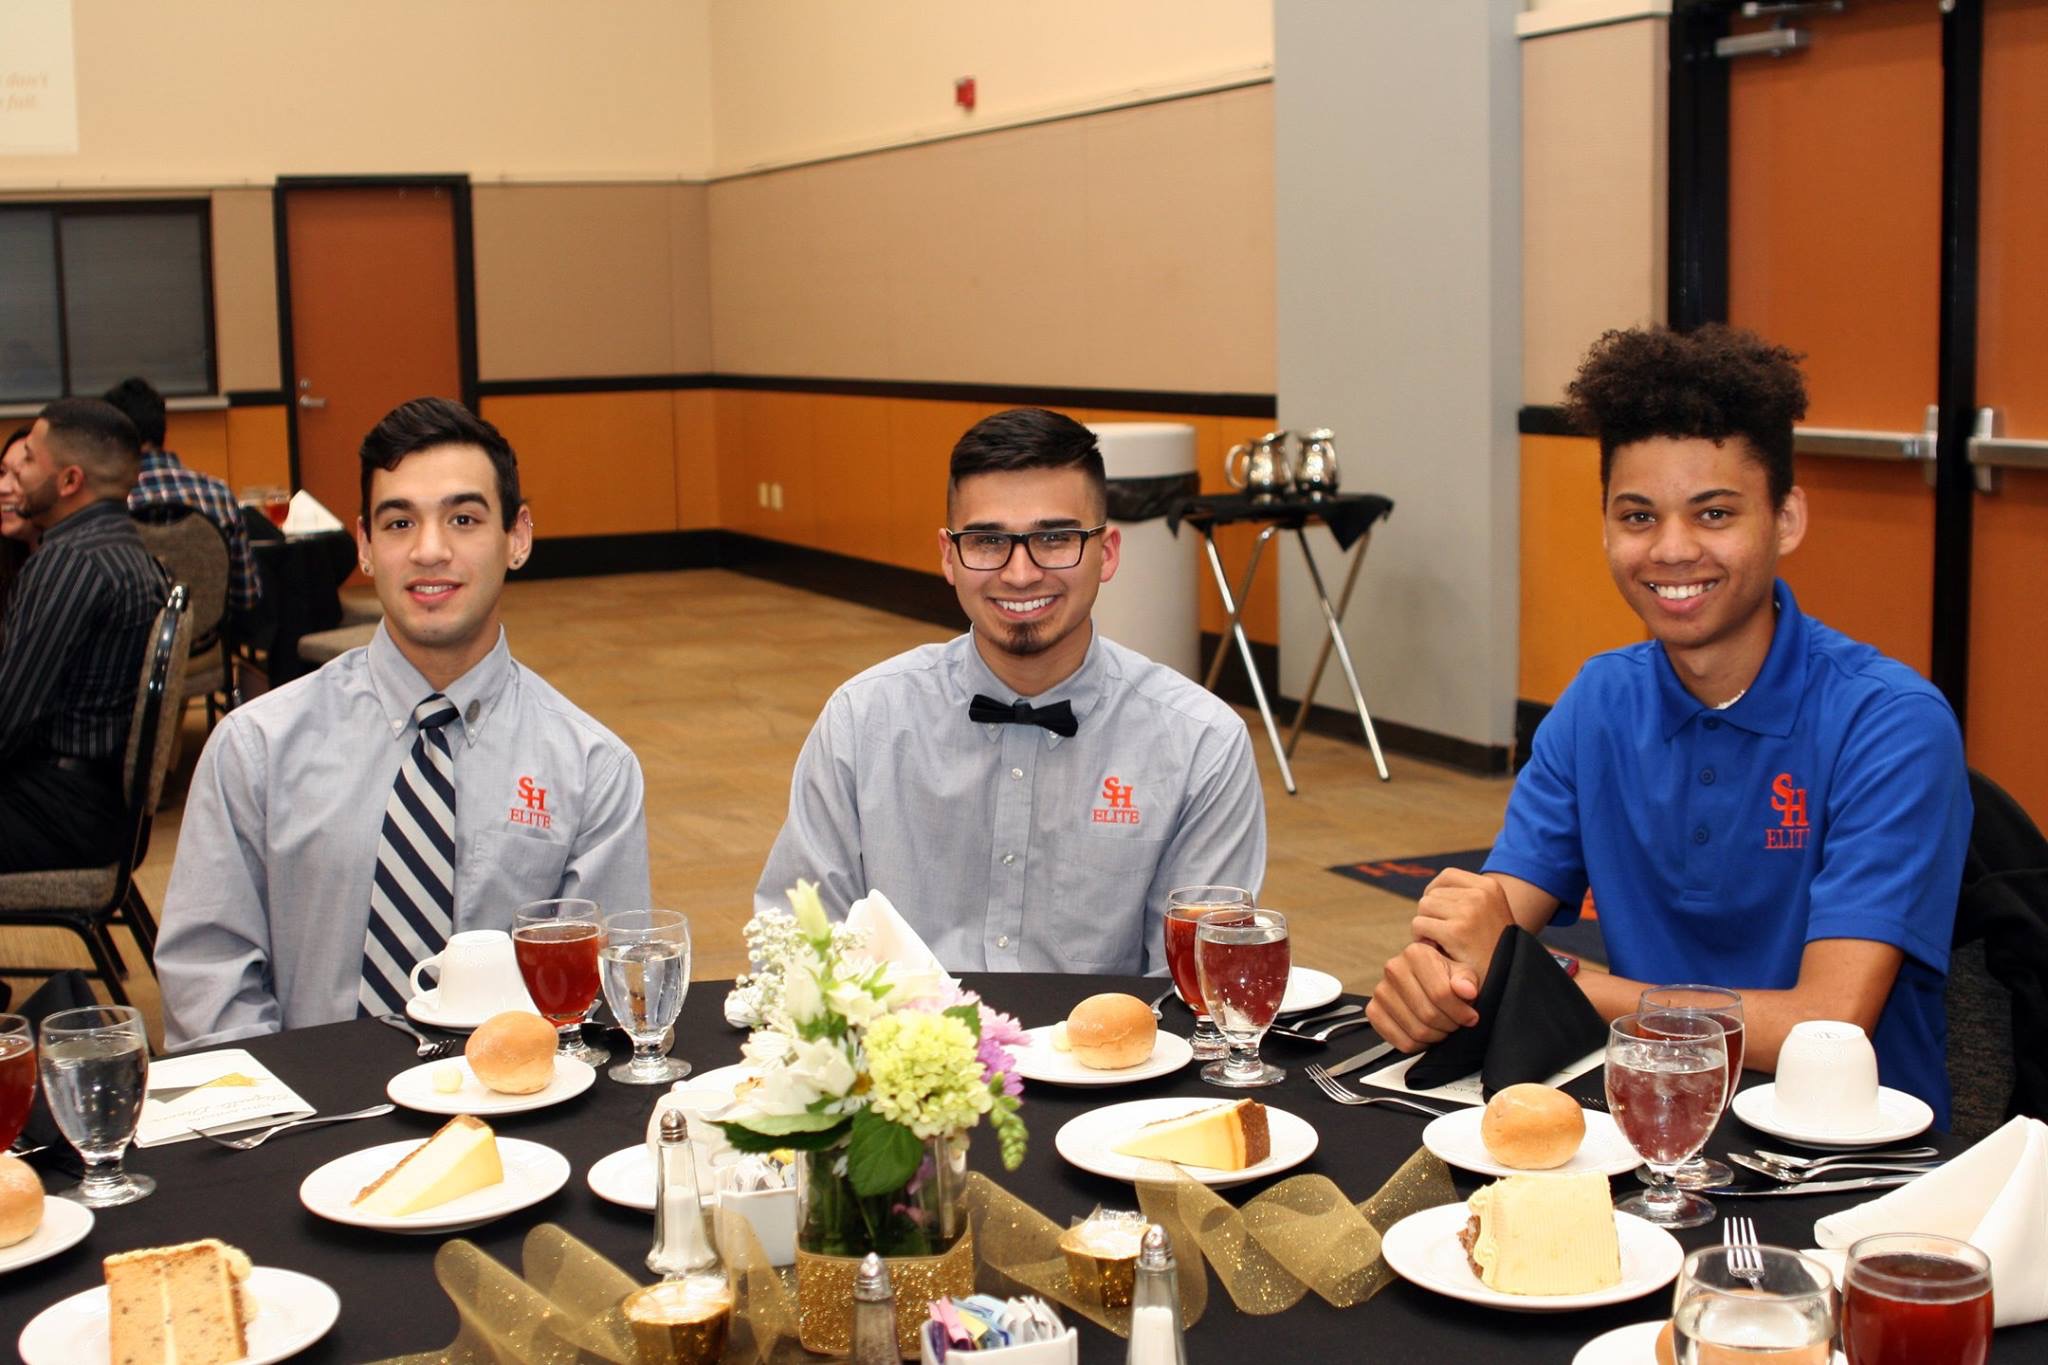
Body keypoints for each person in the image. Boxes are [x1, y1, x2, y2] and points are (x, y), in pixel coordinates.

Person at [1366, 325, 1970, 1122]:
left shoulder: (1890, 723)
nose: (1674, 549)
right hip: (1645, 1118)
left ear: (1786, 519)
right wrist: (1438, 981)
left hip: (1843, 1160)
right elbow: (1497, 918)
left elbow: (1825, 1023)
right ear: (1607, 529)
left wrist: (1553, 980)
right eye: (1639, 516)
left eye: (1714, 512)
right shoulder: (1597, 702)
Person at [156, 397, 652, 1048]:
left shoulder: (591, 767)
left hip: (513, 1121)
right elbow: (208, 985)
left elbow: (598, 1012)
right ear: (364, 545)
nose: (429, 550)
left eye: (464, 518)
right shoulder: (256, 748)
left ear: (518, 536)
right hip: (303, 1126)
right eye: (398, 523)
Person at [755, 406, 1266, 974]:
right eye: (988, 540)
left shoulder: (1201, 744)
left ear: (1109, 553)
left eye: (1054, 538)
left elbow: (1194, 983)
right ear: (949, 556)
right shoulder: (864, 720)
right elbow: (799, 947)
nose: (1020, 574)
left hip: (1115, 1062)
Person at [0, 401, 169, 873]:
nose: (15, 478)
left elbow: (7, 720)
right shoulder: (131, 554)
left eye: (29, 460)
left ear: (69, 481)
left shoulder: (69, 562)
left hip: (57, 814)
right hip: (94, 805)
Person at [105, 377, 262, 612]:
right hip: (207, 645)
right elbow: (247, 596)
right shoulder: (219, 495)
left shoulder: (110, 502)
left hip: (133, 644)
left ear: (114, 437)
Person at [0, 426, 39, 621]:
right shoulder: (9, 560)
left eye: (19, 475)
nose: (2, 488)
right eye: (1, 472)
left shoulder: (67, 571)